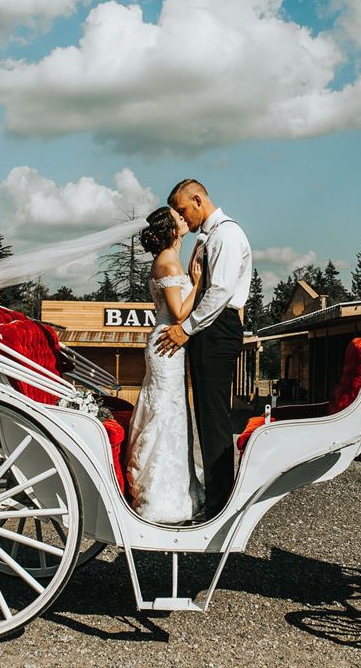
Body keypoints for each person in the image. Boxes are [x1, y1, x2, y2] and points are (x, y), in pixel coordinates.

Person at [157, 179, 252, 518]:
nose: (182, 218)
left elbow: (222, 290)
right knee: (206, 417)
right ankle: (216, 492)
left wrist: (186, 328)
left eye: (183, 210)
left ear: (197, 199)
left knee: (214, 418)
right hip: (208, 328)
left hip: (217, 327)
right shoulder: (207, 237)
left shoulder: (226, 234)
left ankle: (220, 501)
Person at [125, 207, 206, 524]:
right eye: (179, 218)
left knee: (173, 410)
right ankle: (159, 493)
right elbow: (178, 312)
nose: (184, 219)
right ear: (172, 230)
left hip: (170, 346)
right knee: (165, 410)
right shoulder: (167, 262)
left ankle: (178, 484)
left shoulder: (169, 260)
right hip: (166, 345)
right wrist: (197, 283)